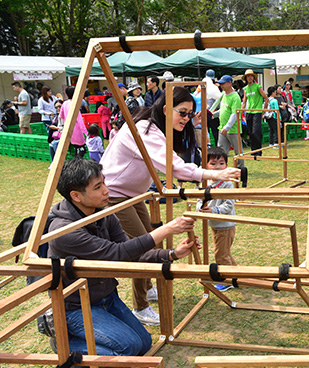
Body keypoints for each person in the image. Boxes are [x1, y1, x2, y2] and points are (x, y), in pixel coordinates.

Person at [101, 87, 240, 326]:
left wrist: (192, 125)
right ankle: (140, 306)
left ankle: (146, 288)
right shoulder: (146, 129)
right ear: (166, 109)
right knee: (140, 248)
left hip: (132, 194)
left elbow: (178, 154)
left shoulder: (156, 125)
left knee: (151, 240)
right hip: (114, 195)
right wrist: (213, 174)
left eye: (190, 114)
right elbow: (173, 166)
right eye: (182, 113)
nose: (186, 118)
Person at [48, 158, 196, 356]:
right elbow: (116, 254)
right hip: (75, 307)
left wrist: (171, 254)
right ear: (76, 196)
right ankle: (65, 345)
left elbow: (130, 254)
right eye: (98, 187)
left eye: (104, 183)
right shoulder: (64, 231)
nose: (106, 190)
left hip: (106, 296)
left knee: (144, 343)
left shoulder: (102, 213)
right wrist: (167, 229)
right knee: (129, 347)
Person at [195, 147, 238, 291]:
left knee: (221, 254)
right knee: (224, 252)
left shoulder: (228, 184)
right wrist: (199, 210)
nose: (218, 167)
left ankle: (226, 281)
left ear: (226, 165)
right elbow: (198, 200)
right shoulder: (205, 182)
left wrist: (213, 210)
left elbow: (229, 205)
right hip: (215, 224)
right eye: (213, 163)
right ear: (206, 166)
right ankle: (237, 274)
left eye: (221, 163)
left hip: (225, 225)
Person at [217, 75, 244, 168]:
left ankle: (240, 169)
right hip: (222, 128)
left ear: (229, 83)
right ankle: (221, 168)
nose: (221, 85)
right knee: (221, 151)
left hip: (233, 129)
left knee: (238, 152)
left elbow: (234, 114)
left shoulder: (235, 97)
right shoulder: (223, 94)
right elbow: (223, 109)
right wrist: (213, 115)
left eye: (223, 83)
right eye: (220, 83)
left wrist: (227, 127)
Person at [241, 69, 269, 156]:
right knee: (250, 132)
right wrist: (240, 112)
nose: (249, 77)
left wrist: (263, 111)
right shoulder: (245, 88)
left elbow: (266, 98)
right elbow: (244, 102)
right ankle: (253, 151)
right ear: (246, 78)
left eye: (251, 76)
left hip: (257, 111)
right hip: (249, 112)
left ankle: (258, 151)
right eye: (248, 76)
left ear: (253, 77)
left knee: (255, 132)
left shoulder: (257, 86)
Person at [60, 86, 88, 159]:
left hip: (69, 129)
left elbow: (61, 116)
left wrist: (62, 127)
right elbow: (80, 121)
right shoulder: (74, 104)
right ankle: (77, 164)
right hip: (77, 130)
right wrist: (87, 133)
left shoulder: (65, 103)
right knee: (82, 149)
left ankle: (76, 164)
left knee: (76, 149)